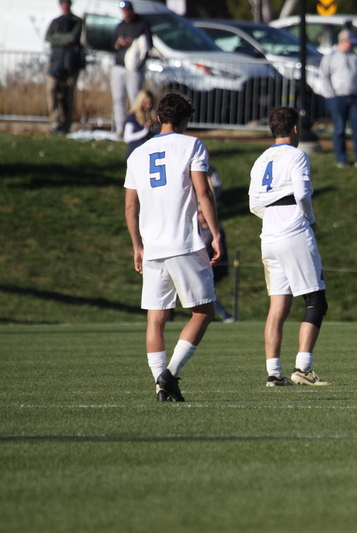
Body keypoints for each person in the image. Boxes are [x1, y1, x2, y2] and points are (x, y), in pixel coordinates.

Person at [124, 93, 222, 402]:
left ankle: (159, 385)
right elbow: (203, 191)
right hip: (184, 242)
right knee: (203, 312)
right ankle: (170, 373)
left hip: (152, 246)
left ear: (158, 118)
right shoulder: (191, 145)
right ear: (184, 120)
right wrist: (216, 233)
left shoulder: (137, 154)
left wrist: (137, 246)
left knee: (156, 318)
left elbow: (130, 208)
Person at [249, 107, 330, 387]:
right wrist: (310, 219)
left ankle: (274, 373)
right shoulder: (297, 155)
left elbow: (253, 204)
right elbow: (302, 192)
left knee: (278, 305)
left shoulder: (260, 160)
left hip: (268, 235)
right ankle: (303, 368)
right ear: (295, 128)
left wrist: (273, 217)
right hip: (293, 229)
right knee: (315, 301)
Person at [319, 29, 357, 168]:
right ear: (342, 41)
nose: (352, 45)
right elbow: (324, 76)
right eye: (350, 42)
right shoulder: (330, 57)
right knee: (340, 129)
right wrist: (331, 94)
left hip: (355, 97)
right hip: (337, 98)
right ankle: (341, 159)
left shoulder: (355, 56)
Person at [199, 166, 235, 323]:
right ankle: (221, 316)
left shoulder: (214, 232)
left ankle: (224, 316)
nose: (201, 215)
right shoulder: (197, 230)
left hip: (211, 266)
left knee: (207, 294)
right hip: (200, 266)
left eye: (203, 212)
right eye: (199, 212)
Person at [112, 1, 152, 137]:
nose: (126, 13)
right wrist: (118, 44)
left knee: (136, 98)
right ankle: (120, 128)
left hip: (134, 69)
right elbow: (112, 44)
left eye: (127, 10)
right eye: (123, 10)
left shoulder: (141, 25)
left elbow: (147, 46)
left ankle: (138, 126)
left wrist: (131, 42)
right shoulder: (120, 25)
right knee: (118, 99)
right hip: (119, 65)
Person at [44, 0, 84, 135]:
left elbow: (73, 37)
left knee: (67, 95)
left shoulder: (77, 21)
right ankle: (55, 123)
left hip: (71, 64)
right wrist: (63, 39)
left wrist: (58, 37)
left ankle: (66, 125)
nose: (65, 6)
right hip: (56, 63)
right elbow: (49, 37)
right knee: (51, 90)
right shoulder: (56, 21)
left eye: (67, 3)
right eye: (63, 3)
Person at [123, 89, 158, 159]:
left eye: (150, 103)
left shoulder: (152, 116)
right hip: (136, 153)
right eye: (145, 103)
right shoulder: (132, 117)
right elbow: (127, 138)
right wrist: (145, 131)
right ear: (140, 103)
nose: (148, 106)